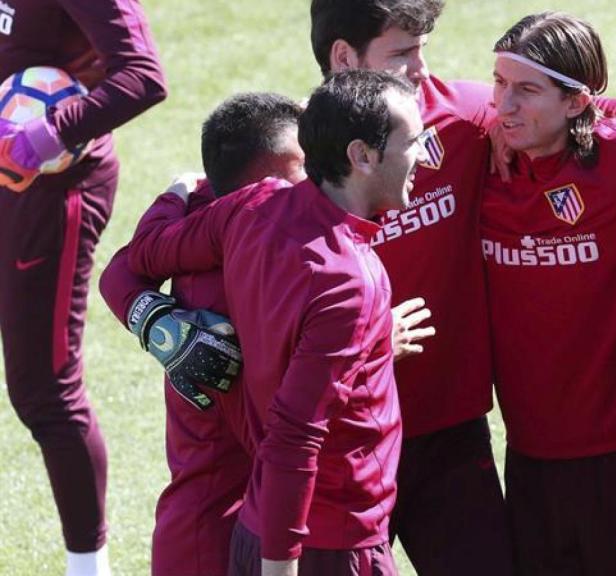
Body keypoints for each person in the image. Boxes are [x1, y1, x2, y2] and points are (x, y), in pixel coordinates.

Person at [123, 69, 421, 576]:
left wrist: (174, 196)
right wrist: (280, 567)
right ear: (362, 156)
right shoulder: (352, 279)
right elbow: (294, 437)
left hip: (256, 527)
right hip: (328, 544)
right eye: (413, 141)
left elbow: (143, 254)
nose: (423, 156)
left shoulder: (250, 208)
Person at [309, 2, 513, 572]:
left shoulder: (463, 118)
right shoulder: (290, 156)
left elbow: (582, 111)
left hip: (450, 434)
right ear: (344, 58)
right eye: (402, 54)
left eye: (423, 49)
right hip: (341, 449)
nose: (422, 70)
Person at [480, 12, 616, 574]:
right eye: (500, 83)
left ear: (577, 102)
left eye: (527, 91)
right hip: (530, 453)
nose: (504, 105)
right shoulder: (477, 161)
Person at [98, 92, 306, 576]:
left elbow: (123, 270)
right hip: (219, 534)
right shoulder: (235, 258)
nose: (319, 181)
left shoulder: (197, 211)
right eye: (305, 166)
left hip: (233, 522)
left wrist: (151, 319)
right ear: (263, 183)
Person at [0, 2, 167, 575]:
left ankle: (88, 569)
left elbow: (143, 76)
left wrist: (50, 133)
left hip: (47, 189)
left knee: (43, 389)